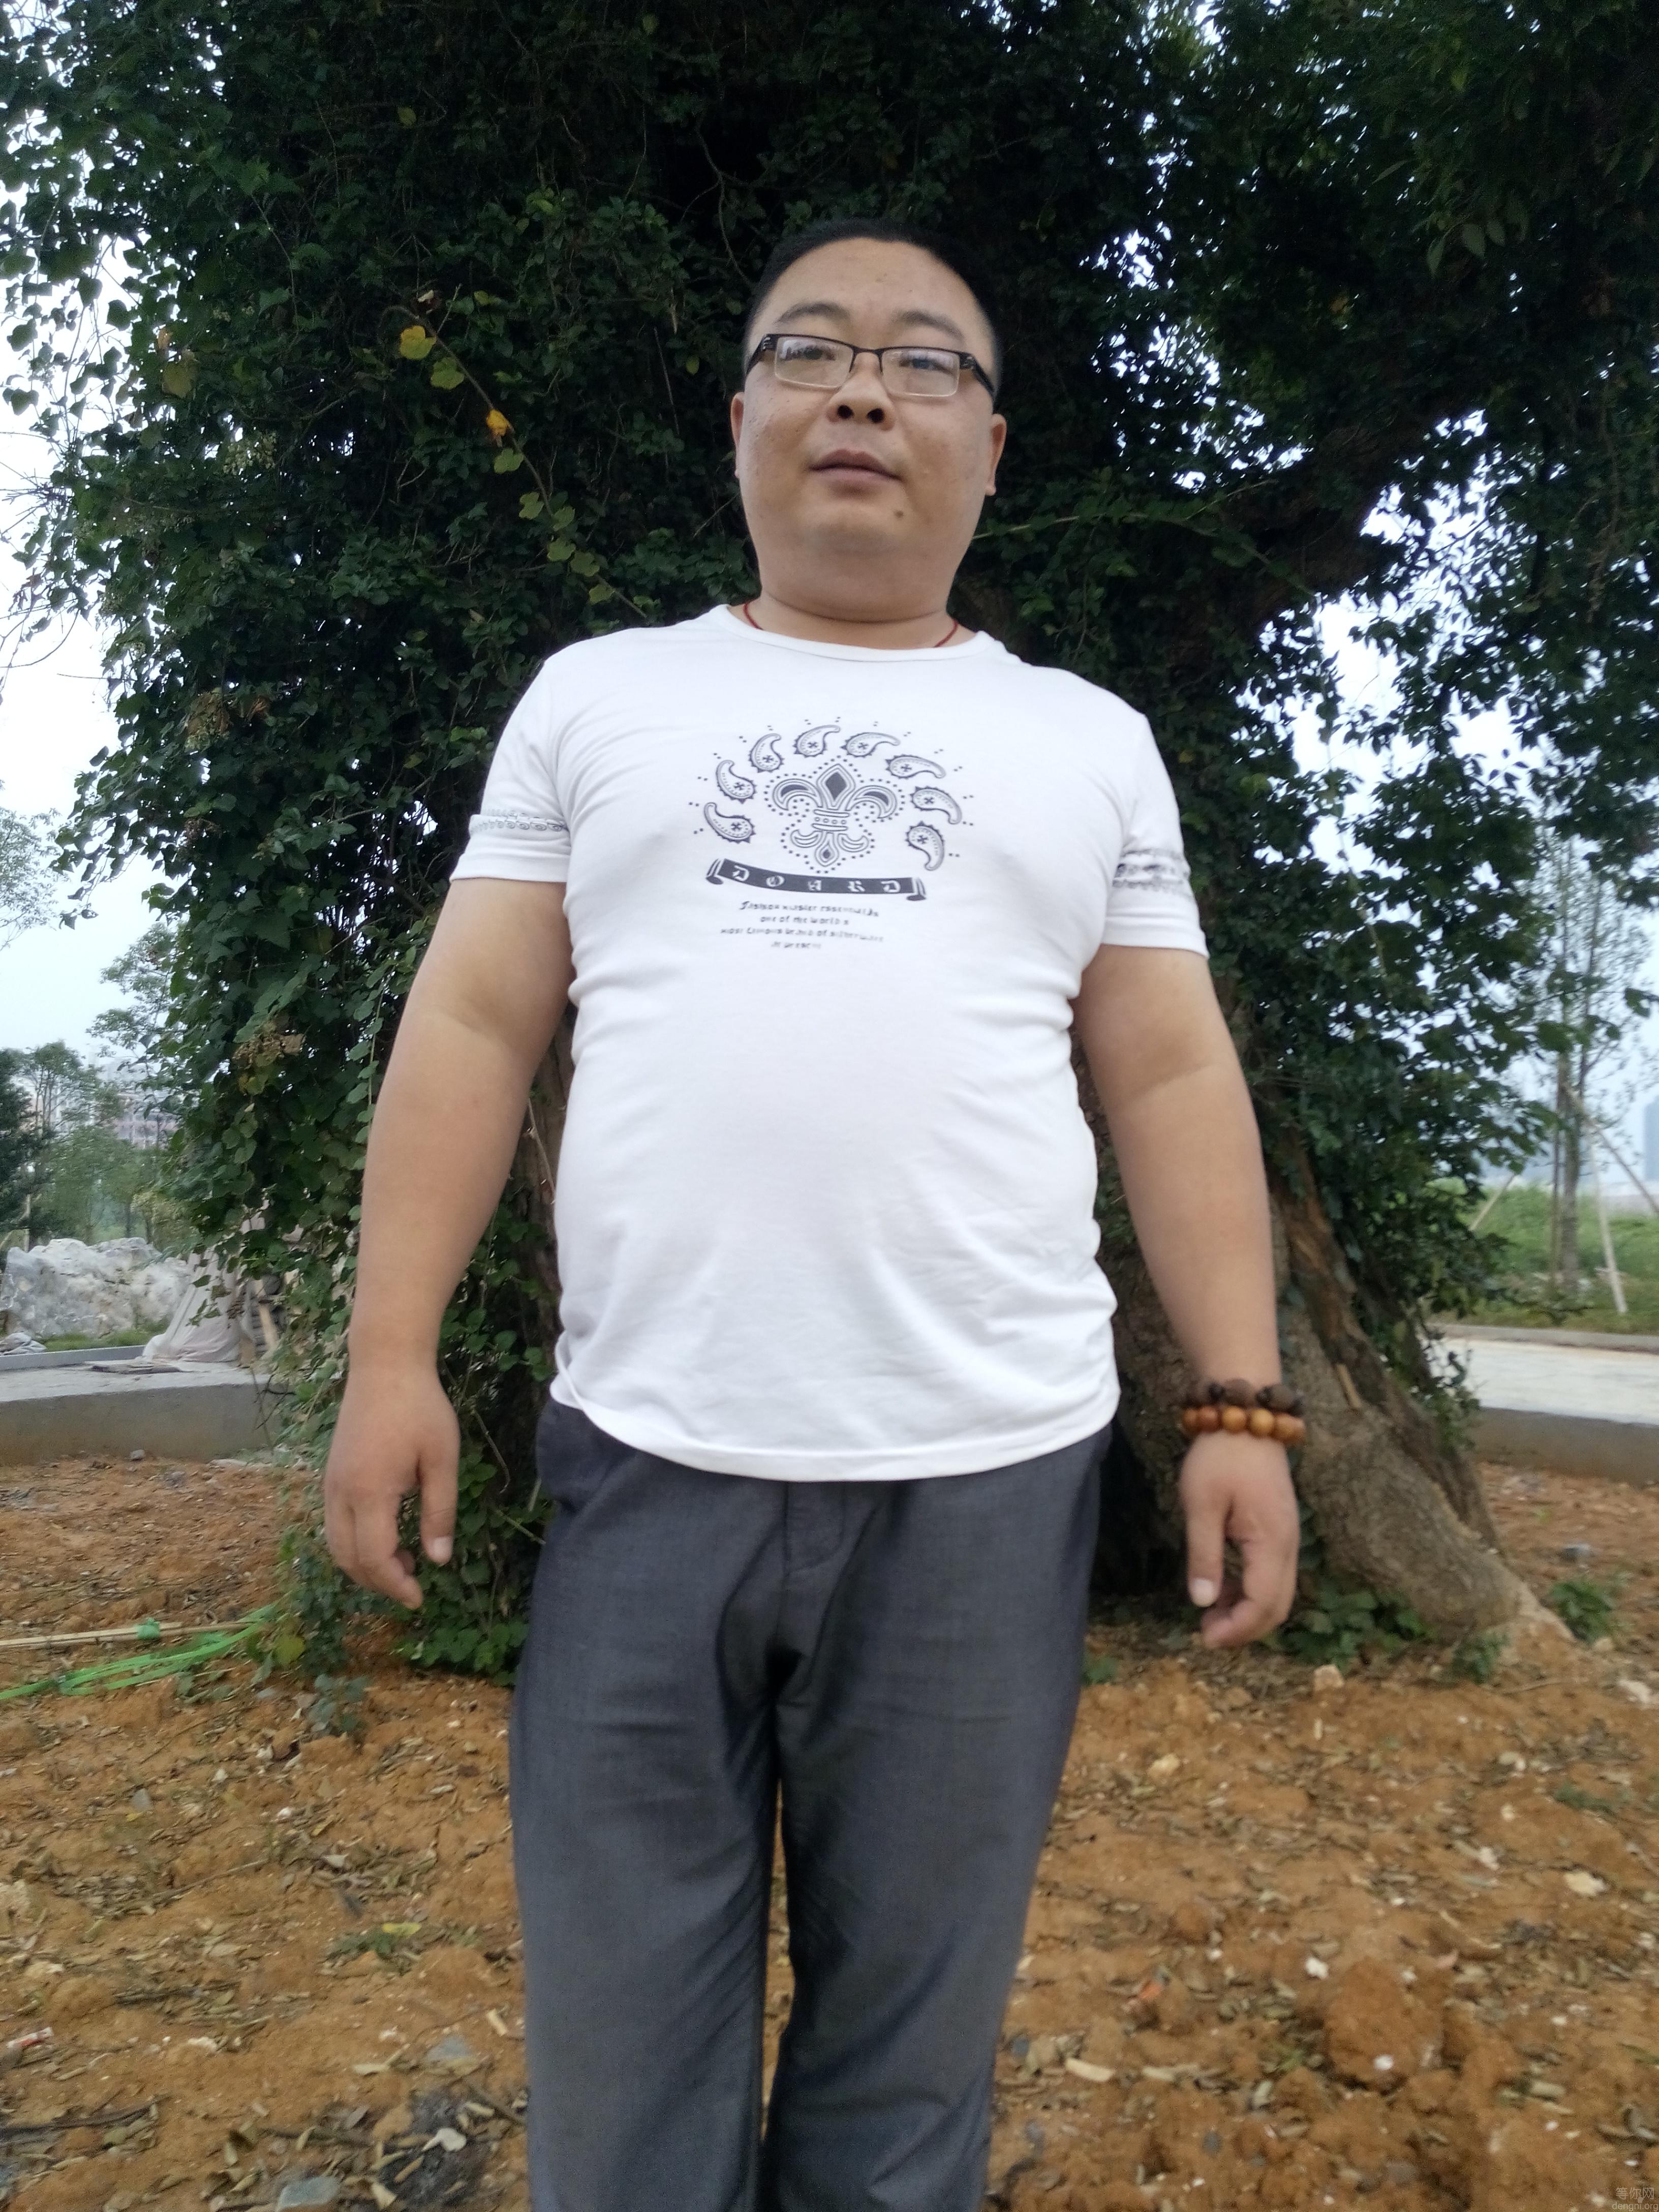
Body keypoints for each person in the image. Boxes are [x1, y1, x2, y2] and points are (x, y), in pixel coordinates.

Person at [324, 216, 1301, 2212]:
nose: (864, 388)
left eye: (924, 359)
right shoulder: (599, 699)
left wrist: (1239, 1399)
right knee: (623, 2058)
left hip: (986, 1483)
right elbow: (478, 1020)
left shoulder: (1090, 740)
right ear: (742, 418)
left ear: (992, 450)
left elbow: (1172, 1074)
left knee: (907, 2063)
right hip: (645, 1462)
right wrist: (388, 1352)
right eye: (812, 350)